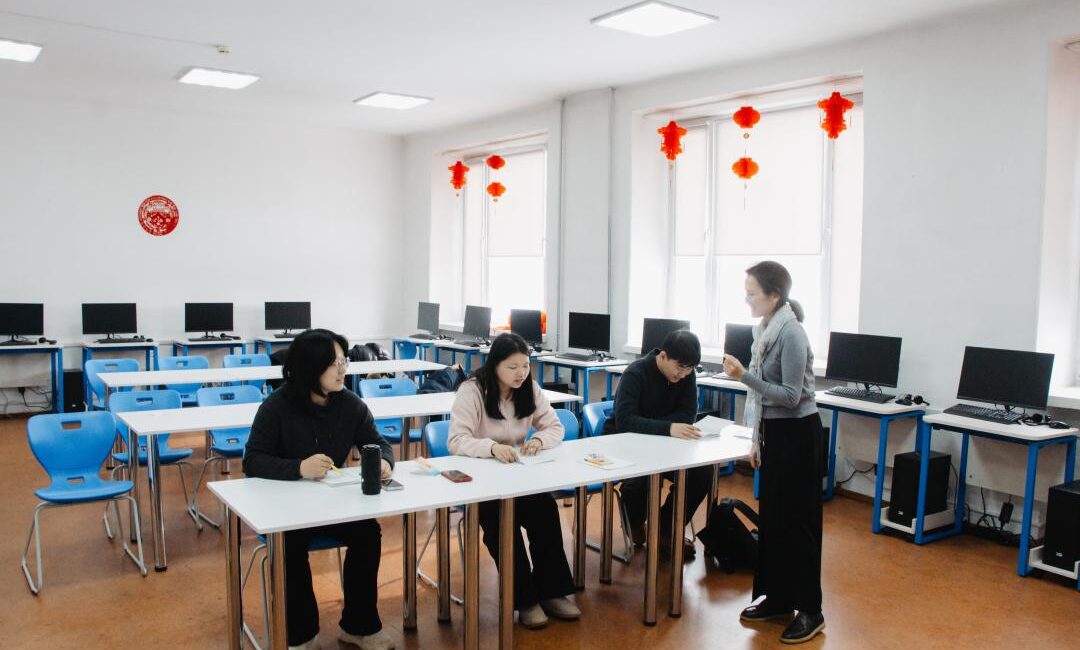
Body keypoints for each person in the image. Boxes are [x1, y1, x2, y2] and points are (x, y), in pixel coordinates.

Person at [243, 329, 396, 650]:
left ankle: (359, 626)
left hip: (332, 504)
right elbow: (253, 460)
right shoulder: (276, 406)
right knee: (289, 545)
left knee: (368, 533)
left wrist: (384, 461)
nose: (343, 369)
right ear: (311, 368)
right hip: (286, 509)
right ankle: (302, 635)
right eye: (335, 363)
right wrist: (299, 468)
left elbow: (377, 442)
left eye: (344, 361)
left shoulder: (350, 404)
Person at [722, 261, 825, 645]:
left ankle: (811, 610)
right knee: (775, 521)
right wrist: (756, 440)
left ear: (774, 295)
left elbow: (791, 396)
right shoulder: (765, 330)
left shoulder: (791, 334)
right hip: (776, 434)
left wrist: (743, 376)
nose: (747, 299)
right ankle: (780, 598)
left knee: (799, 525)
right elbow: (766, 401)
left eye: (752, 293)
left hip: (799, 436)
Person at [448, 332, 581, 629]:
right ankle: (525, 600)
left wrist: (540, 440)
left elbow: (555, 427)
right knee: (501, 525)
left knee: (546, 512)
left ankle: (552, 592)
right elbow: (456, 440)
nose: (521, 373)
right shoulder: (473, 391)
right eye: (512, 367)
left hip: (519, 477)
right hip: (483, 484)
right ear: (495, 364)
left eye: (525, 365)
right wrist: (492, 448)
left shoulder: (529, 389)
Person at [603, 328, 712, 560]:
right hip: (626, 445)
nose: (683, 374)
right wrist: (668, 427)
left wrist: (656, 425)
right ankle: (634, 519)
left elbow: (687, 415)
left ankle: (665, 529)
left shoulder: (686, 375)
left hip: (666, 446)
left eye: (689, 369)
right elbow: (626, 421)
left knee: (702, 473)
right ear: (663, 356)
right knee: (642, 476)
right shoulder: (635, 373)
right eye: (679, 367)